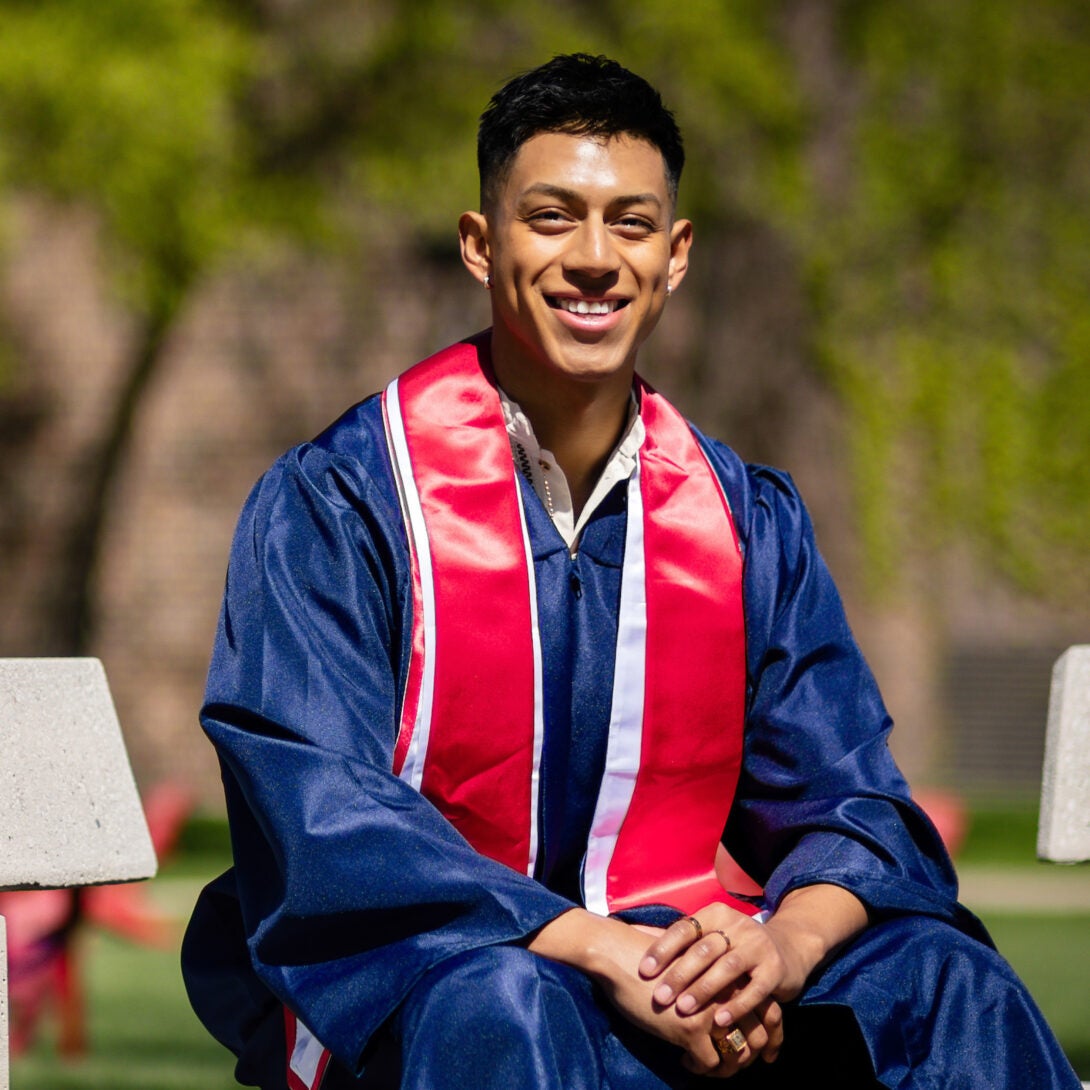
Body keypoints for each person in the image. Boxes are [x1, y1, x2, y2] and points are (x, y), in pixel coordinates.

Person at [181, 53, 1082, 1090]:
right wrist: (595, 946)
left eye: (633, 223)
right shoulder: (341, 504)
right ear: (481, 245)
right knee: (503, 1006)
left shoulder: (742, 520)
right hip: (445, 976)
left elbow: (853, 804)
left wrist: (777, 950)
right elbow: (322, 815)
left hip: (679, 963)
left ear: (677, 253)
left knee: (941, 981)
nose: (596, 259)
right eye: (553, 217)